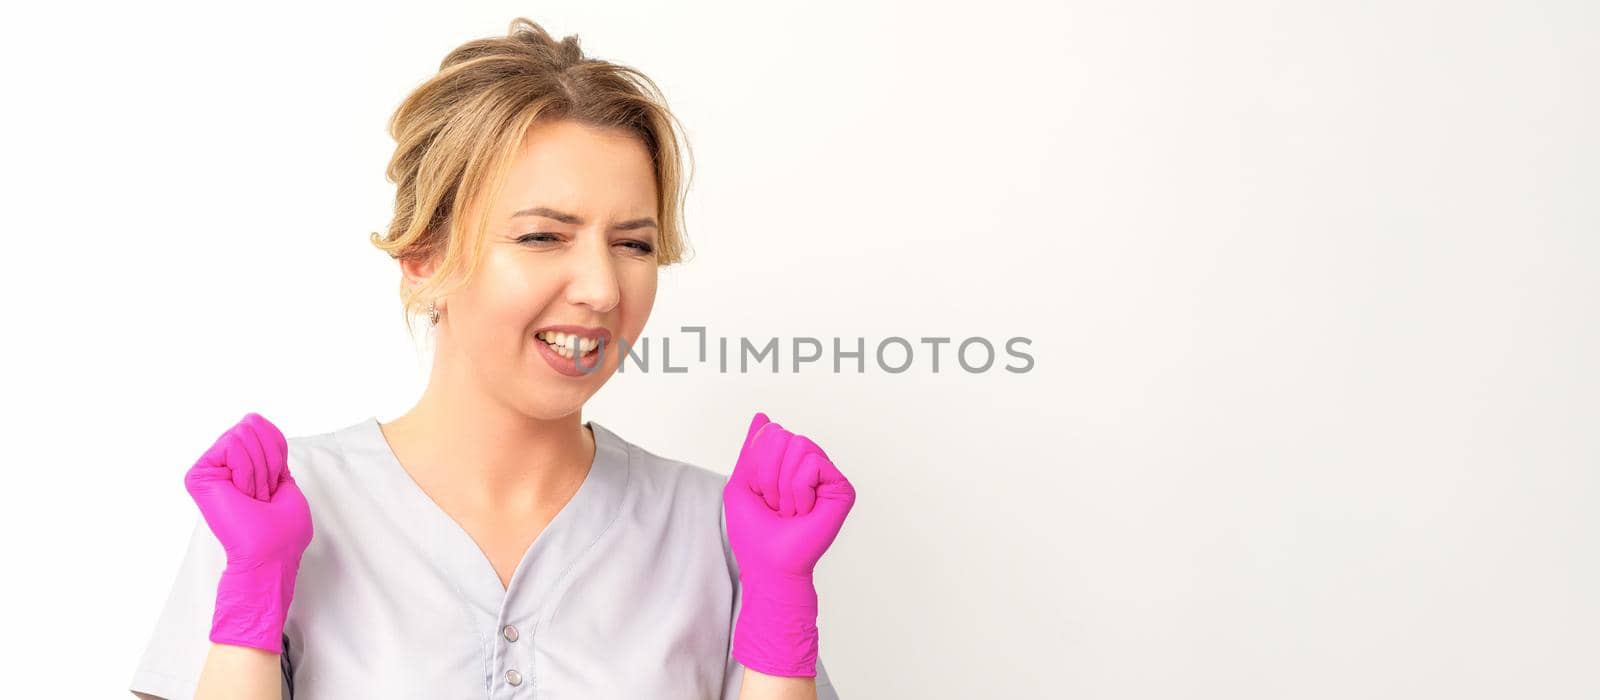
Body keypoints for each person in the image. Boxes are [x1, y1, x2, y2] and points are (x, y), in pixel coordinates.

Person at [128, 18, 856, 700]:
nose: (604, 290)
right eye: (543, 237)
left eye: (633, 244)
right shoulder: (276, 512)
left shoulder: (722, 533)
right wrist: (252, 603)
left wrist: (778, 619)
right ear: (423, 258)